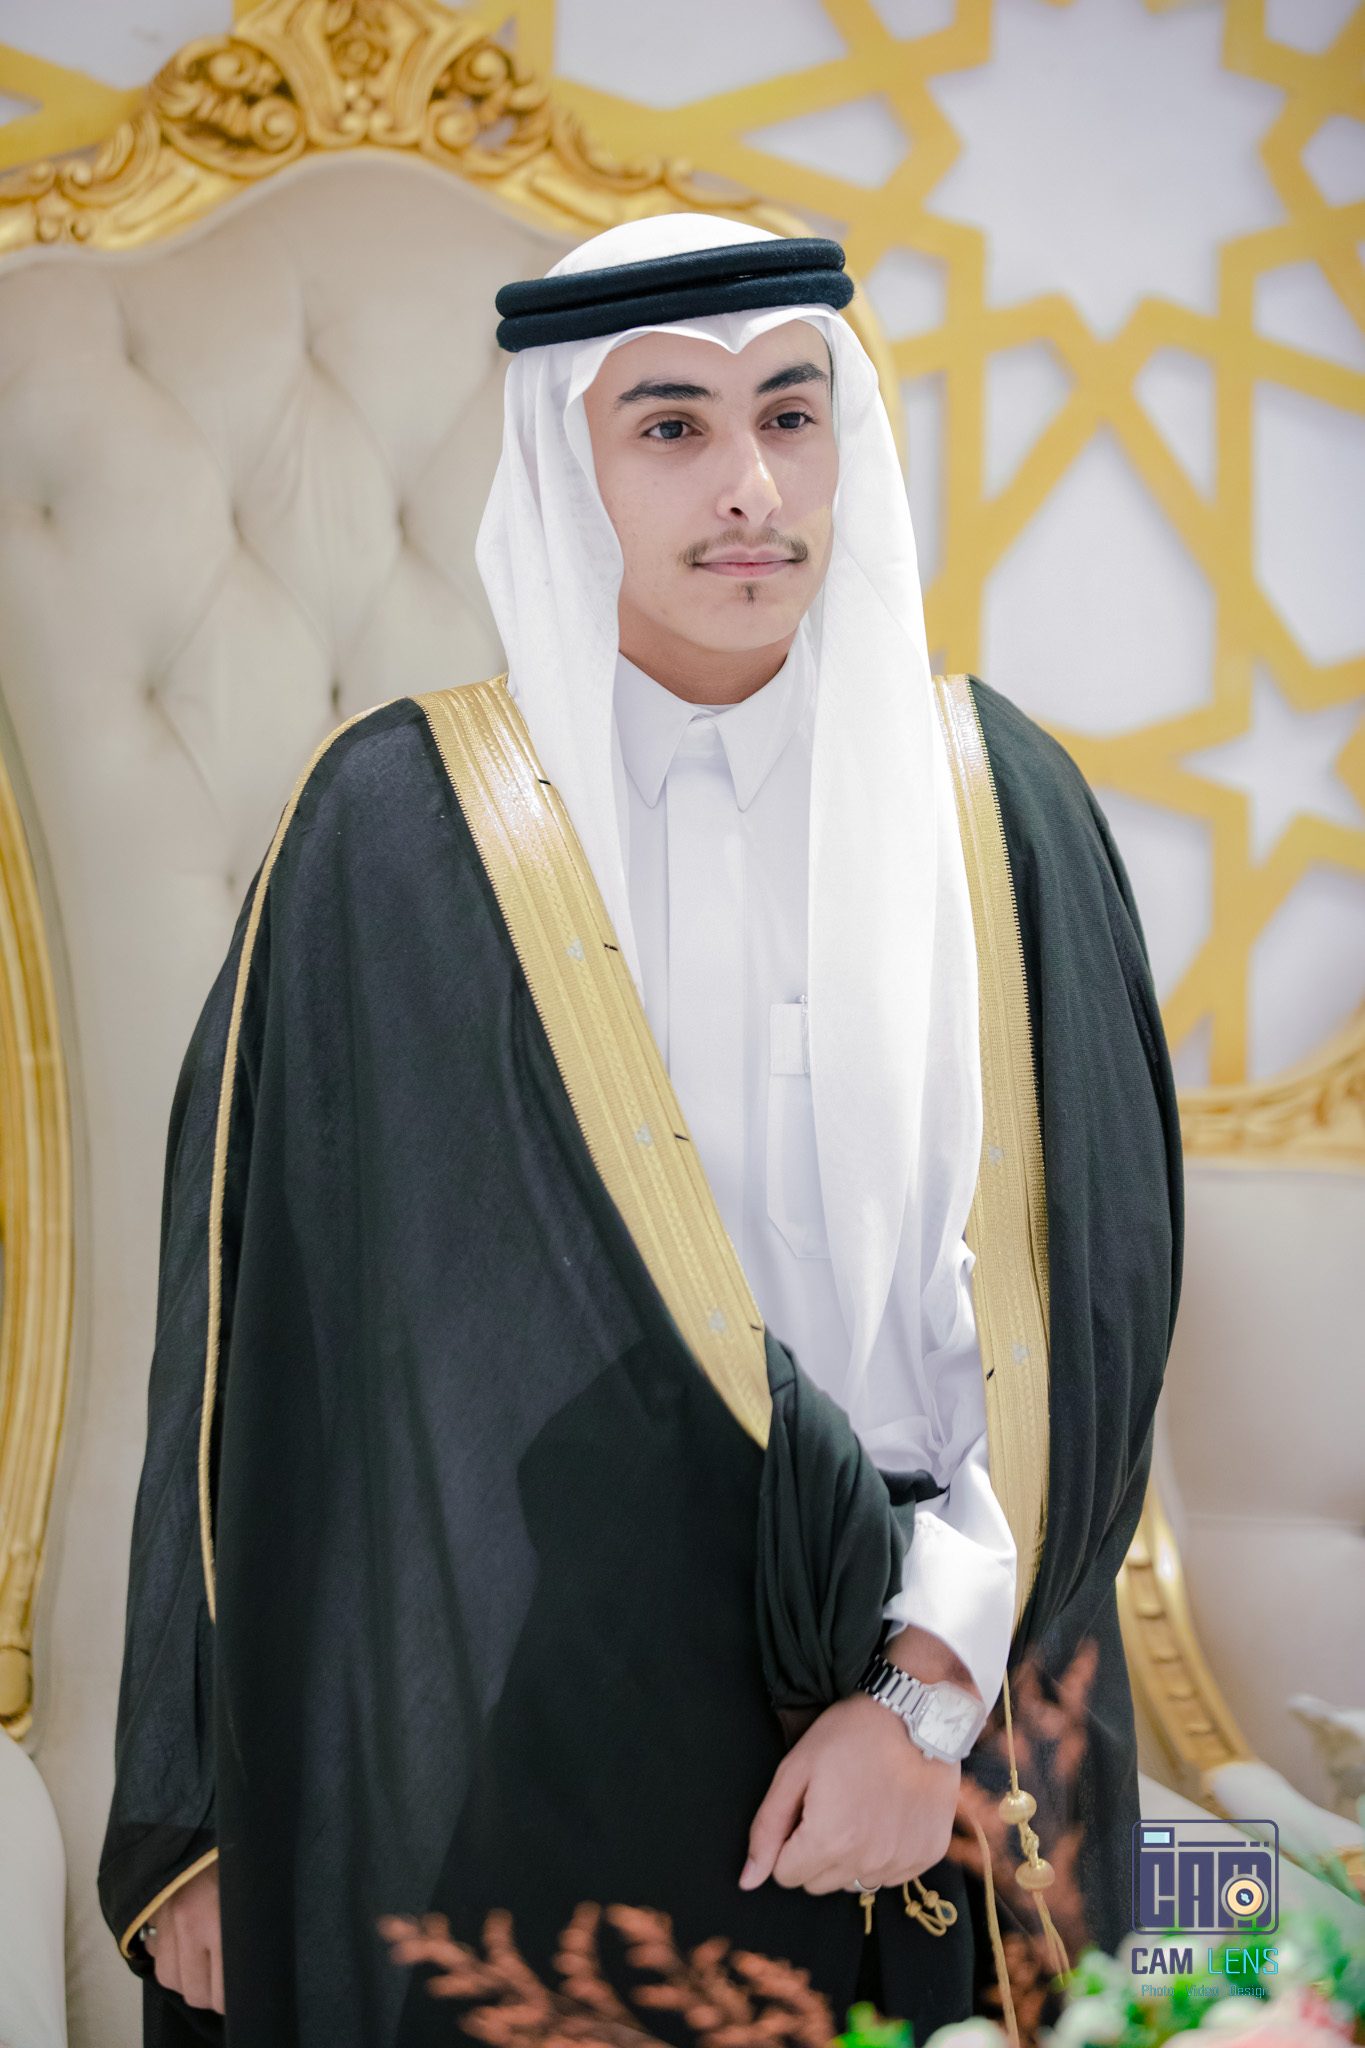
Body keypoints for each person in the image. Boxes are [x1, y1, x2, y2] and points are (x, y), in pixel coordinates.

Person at [99, 216, 1180, 2048]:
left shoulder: (998, 808)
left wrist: (922, 1706)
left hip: (967, 1694)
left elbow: (1097, 1304)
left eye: (791, 414)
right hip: (554, 1711)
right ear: (562, 461)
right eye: (670, 426)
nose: (750, 484)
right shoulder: (401, 828)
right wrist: (195, 1809)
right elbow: (244, 1334)